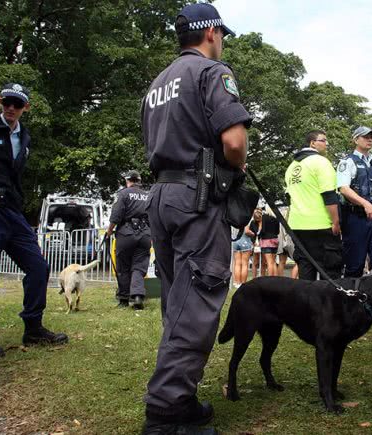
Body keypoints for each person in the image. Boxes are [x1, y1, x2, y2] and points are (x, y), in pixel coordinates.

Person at [140, 3, 251, 434]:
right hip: (196, 195)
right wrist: (233, 172)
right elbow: (235, 142)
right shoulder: (211, 72)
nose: (221, 42)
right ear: (211, 33)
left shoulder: (157, 83)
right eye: (221, 35)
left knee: (178, 301)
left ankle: (180, 398)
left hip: (162, 194)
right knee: (198, 302)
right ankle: (166, 410)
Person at [0, 83, 68, 357]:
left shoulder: (25, 136)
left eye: (17, 104)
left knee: (39, 266)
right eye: (7, 102)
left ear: (26, 107)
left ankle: (33, 326)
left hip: (12, 210)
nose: (11, 108)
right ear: (0, 102)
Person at [284, 130, 342, 281]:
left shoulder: (291, 168)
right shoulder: (321, 162)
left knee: (305, 270)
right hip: (321, 225)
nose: (326, 144)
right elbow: (329, 195)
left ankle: (305, 304)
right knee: (330, 272)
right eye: (323, 140)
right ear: (312, 143)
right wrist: (335, 221)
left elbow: (289, 197)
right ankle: (328, 304)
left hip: (298, 226)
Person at [337, 126, 372, 277]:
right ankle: (351, 299)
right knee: (355, 264)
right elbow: (344, 189)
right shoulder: (347, 162)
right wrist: (365, 204)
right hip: (355, 217)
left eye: (371, 136)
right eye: (365, 136)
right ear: (355, 139)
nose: (370, 139)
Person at [106, 170, 151, 310]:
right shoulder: (148, 195)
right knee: (139, 266)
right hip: (144, 234)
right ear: (139, 181)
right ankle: (137, 296)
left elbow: (116, 215)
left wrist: (109, 231)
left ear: (128, 181)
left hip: (126, 233)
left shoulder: (124, 194)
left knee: (123, 266)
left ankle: (124, 299)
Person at [249, 206, 279, 276]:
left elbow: (263, 230)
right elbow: (278, 231)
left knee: (269, 262)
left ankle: (270, 280)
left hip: (266, 241)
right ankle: (276, 280)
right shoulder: (276, 218)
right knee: (273, 262)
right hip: (275, 240)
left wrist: (259, 234)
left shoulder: (264, 218)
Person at [231, 221, 254, 287]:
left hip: (236, 241)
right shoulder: (245, 218)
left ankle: (237, 282)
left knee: (237, 263)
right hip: (245, 241)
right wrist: (253, 233)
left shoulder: (234, 218)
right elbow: (247, 231)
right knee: (244, 264)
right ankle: (243, 283)